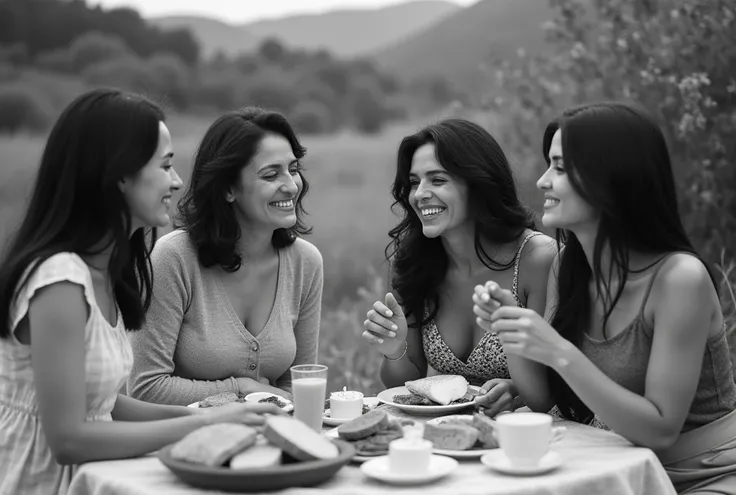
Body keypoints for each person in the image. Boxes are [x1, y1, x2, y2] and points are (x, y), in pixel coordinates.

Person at [0, 89, 281, 495]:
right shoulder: (58, 281)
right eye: (165, 165)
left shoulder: (105, 270)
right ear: (119, 174)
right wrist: (201, 422)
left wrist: (222, 413)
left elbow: (105, 405)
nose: (177, 181)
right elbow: (68, 439)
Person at [475, 101, 736, 494]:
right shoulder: (569, 266)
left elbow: (661, 428)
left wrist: (559, 352)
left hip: (704, 476)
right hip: (615, 468)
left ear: (611, 179)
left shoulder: (680, 279)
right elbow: (543, 398)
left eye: (560, 167)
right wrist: (514, 331)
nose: (543, 180)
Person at [128, 107, 323, 406]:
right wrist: (241, 389)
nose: (291, 185)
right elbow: (145, 388)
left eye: (293, 169)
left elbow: (298, 385)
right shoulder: (173, 258)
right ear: (228, 188)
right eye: (271, 174)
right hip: (183, 442)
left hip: (270, 442)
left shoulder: (306, 262)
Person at [361, 119, 557, 417]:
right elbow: (402, 386)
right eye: (414, 182)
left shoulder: (537, 257)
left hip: (532, 433)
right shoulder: (411, 264)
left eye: (437, 180)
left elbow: (554, 379)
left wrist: (515, 389)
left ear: (478, 185)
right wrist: (394, 349)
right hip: (449, 433)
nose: (419, 194)